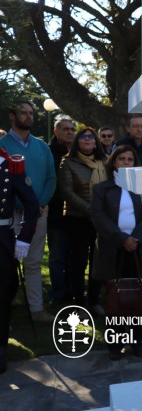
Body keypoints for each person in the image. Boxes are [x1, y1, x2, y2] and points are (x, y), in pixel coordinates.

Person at [91, 145, 142, 360]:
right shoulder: (101, 189)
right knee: (115, 297)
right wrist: (122, 239)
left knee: (139, 295)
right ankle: (115, 344)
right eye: (122, 159)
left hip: (139, 249)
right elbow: (99, 218)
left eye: (130, 159)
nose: (126, 163)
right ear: (114, 163)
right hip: (113, 249)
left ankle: (138, 341)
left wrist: (135, 237)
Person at [0, 101, 56, 322]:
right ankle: (7, 304)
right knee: (6, 262)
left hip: (38, 212)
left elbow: (52, 177)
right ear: (13, 116)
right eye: (23, 112)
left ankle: (36, 309)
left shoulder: (42, 146)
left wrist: (40, 203)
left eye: (31, 113)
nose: (28, 116)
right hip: (9, 214)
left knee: (33, 262)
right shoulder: (2, 146)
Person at [58, 127, 108, 313]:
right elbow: (68, 193)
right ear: (77, 141)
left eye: (91, 137)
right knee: (78, 262)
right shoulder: (68, 163)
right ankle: (78, 302)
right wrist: (92, 211)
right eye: (83, 137)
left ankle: (94, 300)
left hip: (101, 220)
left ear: (96, 142)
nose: (87, 140)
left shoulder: (105, 162)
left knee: (98, 261)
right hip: (78, 219)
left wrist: (101, 213)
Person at [0, 148, 40, 373]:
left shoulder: (10, 166)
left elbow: (32, 204)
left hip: (1, 238)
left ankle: (0, 347)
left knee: (2, 293)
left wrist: (24, 238)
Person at [47, 118, 75, 306]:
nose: (70, 132)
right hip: (55, 213)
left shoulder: (78, 152)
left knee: (74, 256)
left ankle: (72, 291)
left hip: (76, 214)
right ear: (56, 131)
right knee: (57, 256)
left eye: (72, 129)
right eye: (65, 129)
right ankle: (58, 294)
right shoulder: (47, 153)